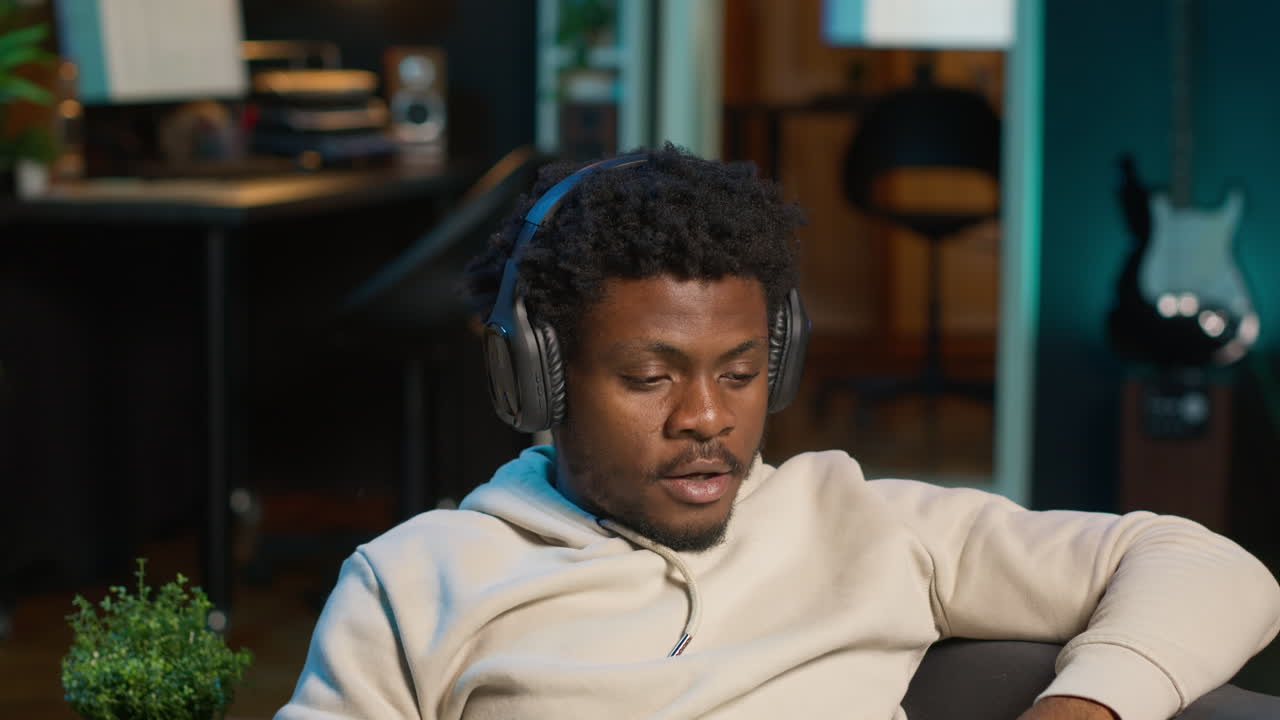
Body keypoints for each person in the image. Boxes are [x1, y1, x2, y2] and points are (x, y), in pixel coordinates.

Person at [276, 145, 1280, 720]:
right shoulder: (415, 582)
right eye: (645, 377)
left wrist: (1087, 706)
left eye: (743, 372)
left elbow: (1202, 566)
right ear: (537, 376)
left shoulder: (864, 523)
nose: (706, 418)